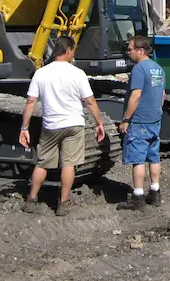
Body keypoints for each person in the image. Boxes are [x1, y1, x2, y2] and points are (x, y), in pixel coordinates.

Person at [19, 36, 106, 216]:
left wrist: (24, 128)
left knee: (42, 163)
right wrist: (99, 122)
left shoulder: (41, 73)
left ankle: (32, 199)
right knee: (69, 164)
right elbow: (89, 102)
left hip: (51, 125)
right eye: (73, 50)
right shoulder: (77, 73)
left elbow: (30, 102)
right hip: (73, 124)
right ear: (68, 51)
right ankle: (63, 204)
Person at [116, 35, 166, 210]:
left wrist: (126, 119)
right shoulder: (158, 68)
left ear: (141, 50)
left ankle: (137, 197)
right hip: (155, 120)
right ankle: (155, 192)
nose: (128, 52)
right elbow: (162, 96)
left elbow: (136, 95)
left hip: (140, 121)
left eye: (130, 49)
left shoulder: (139, 69)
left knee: (138, 160)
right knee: (154, 157)